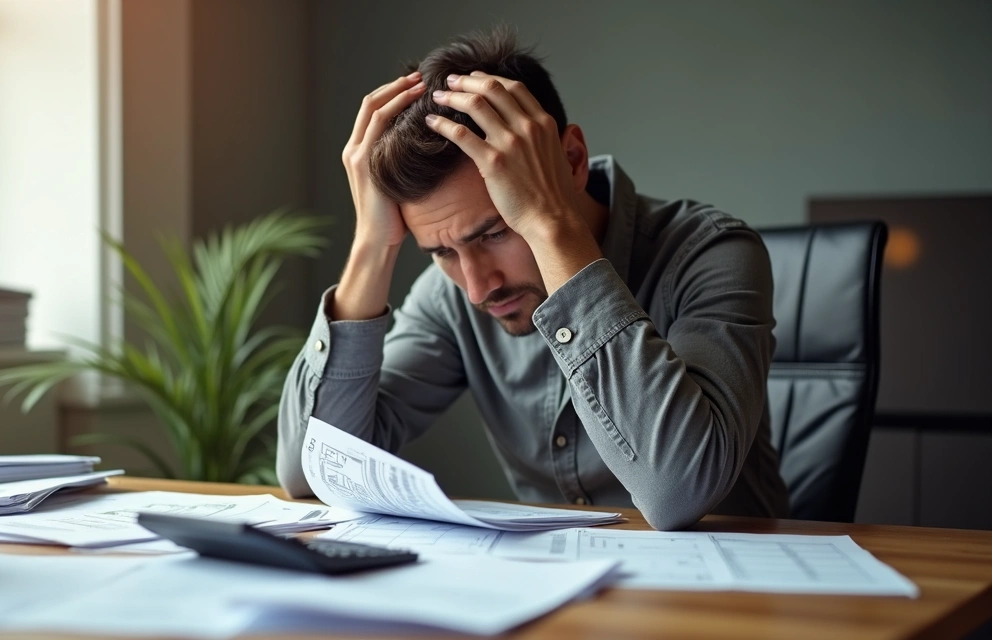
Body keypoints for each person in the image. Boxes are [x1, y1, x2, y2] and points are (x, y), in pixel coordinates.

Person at [276, 28, 789, 530]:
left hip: (739, 598)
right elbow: (308, 472)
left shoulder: (711, 253)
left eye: (496, 232)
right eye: (441, 252)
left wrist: (550, 228)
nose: (478, 289)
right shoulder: (451, 296)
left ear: (570, 162)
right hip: (556, 595)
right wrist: (372, 245)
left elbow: (679, 491)